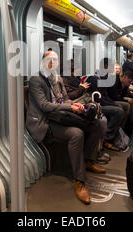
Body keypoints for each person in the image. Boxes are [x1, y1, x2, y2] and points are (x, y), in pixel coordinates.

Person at [26, 50, 106, 205]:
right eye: (49, 59)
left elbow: (65, 99)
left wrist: (74, 104)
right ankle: (79, 181)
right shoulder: (36, 79)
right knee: (76, 133)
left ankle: (88, 160)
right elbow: (44, 106)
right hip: (45, 122)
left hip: (59, 116)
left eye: (55, 60)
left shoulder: (57, 78)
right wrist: (70, 108)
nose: (52, 62)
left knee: (96, 124)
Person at [87, 58, 125, 151]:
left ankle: (116, 134)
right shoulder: (95, 79)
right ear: (105, 67)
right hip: (96, 105)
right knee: (118, 111)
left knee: (122, 107)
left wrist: (113, 103)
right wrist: (114, 105)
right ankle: (106, 138)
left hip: (103, 102)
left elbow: (106, 96)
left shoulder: (104, 77)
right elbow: (98, 99)